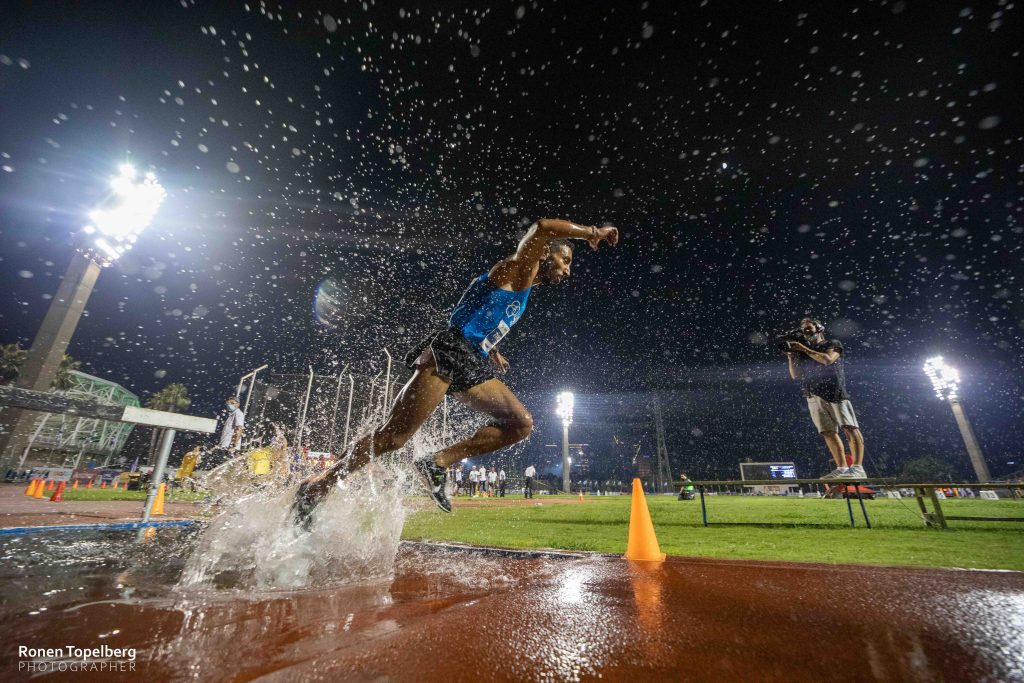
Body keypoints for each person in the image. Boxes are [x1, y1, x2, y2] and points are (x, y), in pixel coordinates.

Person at [291, 218, 618, 526]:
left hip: (471, 358)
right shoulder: (521, 268)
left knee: (521, 424)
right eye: (566, 260)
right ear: (546, 254)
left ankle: (437, 462)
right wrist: (592, 233)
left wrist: (492, 350)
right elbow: (543, 226)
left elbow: (477, 309)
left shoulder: (522, 286)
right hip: (449, 352)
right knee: (394, 437)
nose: (568, 270)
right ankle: (318, 485)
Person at [785, 317, 867, 479]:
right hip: (813, 394)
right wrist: (791, 356)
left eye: (809, 328)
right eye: (803, 330)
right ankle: (842, 468)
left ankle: (858, 468)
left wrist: (803, 348)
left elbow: (828, 359)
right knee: (828, 432)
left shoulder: (832, 343)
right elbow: (796, 375)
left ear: (819, 328)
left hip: (834, 393)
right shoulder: (804, 352)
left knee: (849, 427)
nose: (806, 332)